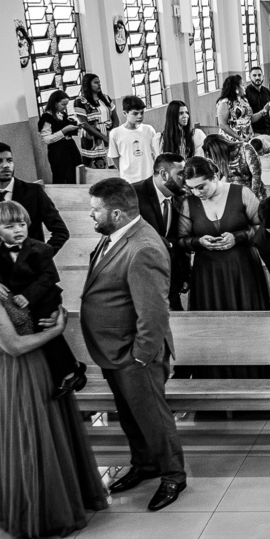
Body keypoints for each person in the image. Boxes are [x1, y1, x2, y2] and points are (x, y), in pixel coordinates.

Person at [0, 221, 107, 539]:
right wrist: (57, 330)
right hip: (18, 367)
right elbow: (14, 345)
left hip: (29, 362)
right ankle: (46, 512)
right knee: (34, 437)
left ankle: (66, 496)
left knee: (48, 432)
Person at [79, 178, 185, 510]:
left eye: (95, 210)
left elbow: (153, 312)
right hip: (114, 350)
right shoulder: (115, 236)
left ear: (117, 213)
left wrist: (140, 356)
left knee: (153, 418)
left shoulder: (143, 247)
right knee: (130, 417)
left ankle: (173, 475)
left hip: (134, 354)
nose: (91, 215)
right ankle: (145, 464)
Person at [0, 201, 86, 399]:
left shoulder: (41, 249)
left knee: (43, 331)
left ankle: (69, 375)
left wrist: (28, 296)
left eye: (22, 224)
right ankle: (72, 367)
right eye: (10, 226)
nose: (18, 230)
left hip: (43, 296)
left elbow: (49, 277)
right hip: (18, 301)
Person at [178, 157, 270, 314]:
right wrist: (199, 242)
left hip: (243, 270)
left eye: (201, 187)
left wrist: (238, 237)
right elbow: (181, 240)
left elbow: (262, 228)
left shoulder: (242, 193)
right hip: (208, 275)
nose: (196, 193)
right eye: (191, 188)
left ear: (214, 177)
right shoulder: (189, 204)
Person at [0, 142, 69, 252]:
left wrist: (41, 256)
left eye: (9, 160)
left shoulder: (34, 192)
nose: (6, 165)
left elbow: (61, 231)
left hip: (31, 259)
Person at [134, 153, 191, 311]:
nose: (186, 179)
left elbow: (180, 240)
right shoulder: (134, 193)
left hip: (170, 281)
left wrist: (185, 274)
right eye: (181, 174)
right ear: (164, 174)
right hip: (140, 279)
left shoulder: (181, 199)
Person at [107, 95, 158, 183]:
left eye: (142, 113)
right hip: (129, 179)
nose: (140, 116)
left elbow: (156, 153)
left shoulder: (149, 130)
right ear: (125, 113)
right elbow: (114, 157)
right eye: (135, 113)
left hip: (149, 177)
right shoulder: (115, 133)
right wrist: (124, 171)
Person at [73, 73, 119, 168]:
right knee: (97, 168)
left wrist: (112, 133)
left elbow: (115, 118)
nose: (99, 85)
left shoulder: (106, 98)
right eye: (96, 82)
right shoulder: (80, 101)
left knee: (113, 165)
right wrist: (103, 137)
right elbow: (84, 124)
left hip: (109, 134)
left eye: (99, 82)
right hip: (93, 137)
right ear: (87, 84)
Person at [38, 90, 82, 184]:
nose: (65, 107)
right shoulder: (47, 117)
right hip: (57, 151)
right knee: (62, 176)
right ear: (55, 103)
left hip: (70, 147)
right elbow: (47, 139)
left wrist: (75, 127)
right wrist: (64, 131)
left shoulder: (63, 115)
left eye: (66, 105)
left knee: (75, 173)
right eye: (63, 105)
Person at [203, 133, 264, 200]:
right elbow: (216, 178)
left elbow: (256, 175)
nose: (214, 160)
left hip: (250, 192)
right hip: (233, 194)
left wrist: (252, 197)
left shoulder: (246, 149)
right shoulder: (219, 159)